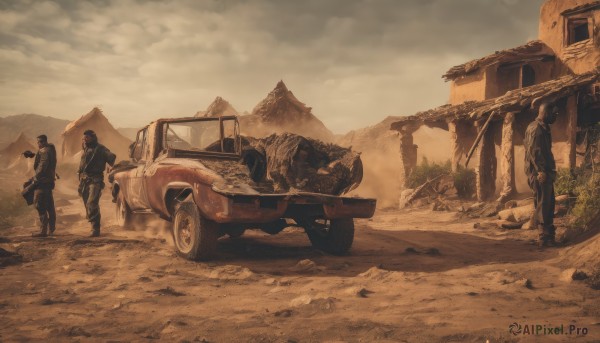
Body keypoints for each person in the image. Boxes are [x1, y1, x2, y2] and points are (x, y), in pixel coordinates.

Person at [524, 102, 559, 247]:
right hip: (540, 173)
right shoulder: (536, 129)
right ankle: (544, 238)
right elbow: (535, 153)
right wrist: (541, 171)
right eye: (553, 114)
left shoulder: (543, 128)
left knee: (548, 203)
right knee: (543, 204)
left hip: (544, 171)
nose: (555, 116)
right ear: (545, 112)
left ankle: (548, 236)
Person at [78, 130, 116, 237]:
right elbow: (82, 165)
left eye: (87, 138)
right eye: (84, 138)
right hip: (84, 180)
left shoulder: (100, 148)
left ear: (93, 138)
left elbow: (111, 157)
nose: (85, 140)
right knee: (87, 204)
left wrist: (111, 166)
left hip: (95, 180)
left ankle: (95, 229)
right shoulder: (85, 148)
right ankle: (93, 224)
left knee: (92, 202)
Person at [23, 135, 57, 237]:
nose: (38, 144)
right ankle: (51, 229)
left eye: (39, 142)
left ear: (42, 142)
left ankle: (43, 231)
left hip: (41, 182)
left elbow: (43, 166)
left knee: (39, 205)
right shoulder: (49, 150)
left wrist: (34, 179)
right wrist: (34, 155)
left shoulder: (44, 151)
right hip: (48, 182)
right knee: (49, 205)